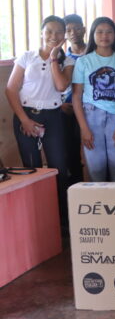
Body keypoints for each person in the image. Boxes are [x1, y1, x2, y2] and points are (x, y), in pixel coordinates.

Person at [5, 15, 73, 225]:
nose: (54, 35)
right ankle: (36, 219)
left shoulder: (67, 60)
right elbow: (11, 89)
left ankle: (61, 219)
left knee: (58, 166)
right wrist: (24, 120)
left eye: (59, 32)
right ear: (42, 33)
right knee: (31, 167)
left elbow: (61, 87)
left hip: (53, 117)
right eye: (49, 31)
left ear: (64, 36)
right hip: (27, 115)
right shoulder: (27, 57)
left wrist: (54, 58)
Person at [72, 18, 115, 182]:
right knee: (96, 169)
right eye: (99, 31)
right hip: (91, 118)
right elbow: (76, 96)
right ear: (92, 35)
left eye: (109, 31)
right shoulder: (83, 61)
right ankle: (99, 205)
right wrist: (84, 128)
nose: (104, 35)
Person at [62, 13, 87, 184]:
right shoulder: (61, 58)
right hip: (67, 110)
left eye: (77, 28)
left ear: (84, 30)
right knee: (70, 151)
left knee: (94, 149)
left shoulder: (94, 53)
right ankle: (76, 189)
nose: (73, 33)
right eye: (68, 30)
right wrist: (61, 103)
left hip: (90, 109)